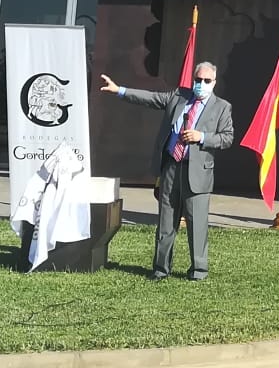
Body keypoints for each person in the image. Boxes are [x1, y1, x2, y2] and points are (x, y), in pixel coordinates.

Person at [98, 62, 235, 280]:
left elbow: (227, 137)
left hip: (197, 171)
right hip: (171, 166)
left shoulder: (222, 107)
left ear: (214, 83)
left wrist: (203, 137)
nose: (201, 84)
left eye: (206, 81)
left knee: (196, 223)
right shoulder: (179, 96)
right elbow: (151, 98)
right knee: (165, 222)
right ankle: (161, 269)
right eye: (198, 80)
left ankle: (198, 270)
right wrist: (120, 91)